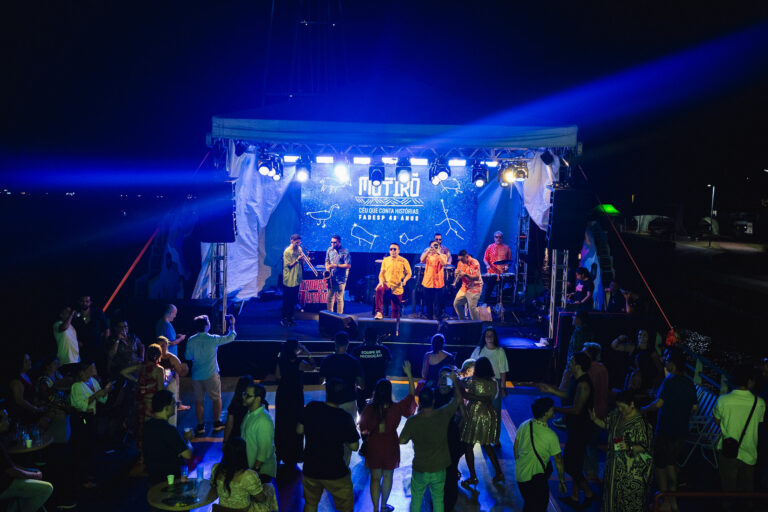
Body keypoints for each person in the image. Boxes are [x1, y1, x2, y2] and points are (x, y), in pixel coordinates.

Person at [641, 348, 698, 512]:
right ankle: (672, 500)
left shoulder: (669, 381)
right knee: (672, 464)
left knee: (661, 465)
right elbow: (694, 407)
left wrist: (643, 409)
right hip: (682, 431)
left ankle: (665, 501)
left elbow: (658, 403)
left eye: (666, 360)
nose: (664, 362)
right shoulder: (689, 382)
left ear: (672, 364)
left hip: (666, 429)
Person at [537, 353, 596, 509]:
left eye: (572, 361)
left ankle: (589, 493)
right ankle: (575, 497)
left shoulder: (584, 384)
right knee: (576, 464)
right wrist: (550, 390)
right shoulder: (577, 380)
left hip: (581, 429)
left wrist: (555, 409)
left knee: (570, 465)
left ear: (578, 365)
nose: (570, 363)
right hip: (575, 428)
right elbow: (569, 395)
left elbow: (577, 409)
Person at [358, 362, 416, 512]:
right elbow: (411, 396)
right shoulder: (396, 408)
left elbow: (363, 429)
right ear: (390, 391)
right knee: (388, 477)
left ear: (376, 391)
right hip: (390, 445)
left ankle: (375, 509)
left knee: (375, 478)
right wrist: (409, 374)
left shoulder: (369, 408)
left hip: (374, 445)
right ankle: (384, 506)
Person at [399, 374, 461, 512]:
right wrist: (455, 381)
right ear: (433, 401)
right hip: (439, 467)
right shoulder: (443, 414)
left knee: (416, 499)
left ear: (420, 402)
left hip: (420, 468)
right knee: (438, 499)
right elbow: (458, 399)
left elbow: (402, 440)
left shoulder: (412, 421)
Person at [297, 378, 360, 512]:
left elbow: (299, 430)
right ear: (342, 397)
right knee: (345, 507)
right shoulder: (344, 417)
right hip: (336, 472)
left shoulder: (312, 407)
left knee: (310, 504)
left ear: (327, 392)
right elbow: (354, 446)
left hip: (310, 469)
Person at [590, 389, 653, 512]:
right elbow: (607, 425)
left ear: (632, 404)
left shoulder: (641, 425)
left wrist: (628, 447)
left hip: (631, 472)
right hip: (614, 467)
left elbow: (645, 447)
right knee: (611, 498)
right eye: (618, 407)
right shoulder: (616, 415)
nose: (620, 410)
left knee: (628, 502)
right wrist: (595, 419)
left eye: (623, 407)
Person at [714, 364, 765, 494]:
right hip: (749, 450)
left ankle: (728, 504)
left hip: (727, 449)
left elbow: (717, 420)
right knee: (747, 489)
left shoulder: (723, 400)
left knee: (728, 488)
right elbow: (759, 421)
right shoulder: (759, 402)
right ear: (750, 381)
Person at [185, 313, 237, 436]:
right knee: (216, 398)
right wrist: (232, 324)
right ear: (207, 326)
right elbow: (231, 337)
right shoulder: (213, 339)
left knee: (199, 401)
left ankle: (200, 426)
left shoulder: (191, 340)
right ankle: (217, 423)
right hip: (211, 374)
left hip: (197, 375)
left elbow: (187, 356)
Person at [459, 356, 504, 489]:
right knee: (487, 444)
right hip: (489, 414)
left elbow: (463, 392)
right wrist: (483, 398)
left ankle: (473, 477)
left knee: (468, 445)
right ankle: (499, 472)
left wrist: (474, 397)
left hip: (475, 414)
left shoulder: (472, 381)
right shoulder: (494, 382)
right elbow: (493, 396)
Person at [319, 331, 364, 465]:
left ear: (335, 343)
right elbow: (361, 384)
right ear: (347, 344)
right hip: (348, 402)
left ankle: (330, 462)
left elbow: (320, 381)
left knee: (331, 433)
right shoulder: (353, 361)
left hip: (331, 403)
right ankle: (344, 465)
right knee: (348, 434)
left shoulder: (327, 360)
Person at [515, 397, 567, 512]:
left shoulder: (525, 425)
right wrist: (562, 481)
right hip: (536, 478)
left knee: (529, 504)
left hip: (521, 474)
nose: (554, 410)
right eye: (552, 409)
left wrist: (520, 463)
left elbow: (516, 447)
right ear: (546, 413)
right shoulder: (551, 436)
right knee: (539, 506)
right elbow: (558, 461)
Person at [0, 409, 54, 511]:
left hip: (6, 479)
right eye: (6, 419)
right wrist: (34, 475)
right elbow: (12, 471)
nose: (9, 421)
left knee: (34, 471)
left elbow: (9, 466)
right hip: (3, 486)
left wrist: (30, 472)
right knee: (47, 488)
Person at [70, 361, 114, 488]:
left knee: (89, 448)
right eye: (92, 367)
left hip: (90, 418)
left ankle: (87, 474)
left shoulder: (93, 381)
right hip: (80, 419)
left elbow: (102, 399)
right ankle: (82, 479)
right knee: (81, 448)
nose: (95, 368)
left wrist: (106, 391)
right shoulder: (76, 386)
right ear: (84, 371)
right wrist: (96, 395)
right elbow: (80, 405)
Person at [275, 339, 316, 468]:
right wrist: (308, 353)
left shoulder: (281, 360)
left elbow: (278, 376)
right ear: (295, 349)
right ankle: (295, 453)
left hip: (282, 394)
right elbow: (313, 367)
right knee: (296, 421)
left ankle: (280, 451)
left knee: (282, 421)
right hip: (295, 395)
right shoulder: (298, 362)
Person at [121, 344, 166, 457]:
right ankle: (151, 452)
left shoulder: (142, 366)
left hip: (140, 402)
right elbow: (160, 390)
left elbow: (123, 372)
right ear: (158, 356)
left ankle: (142, 453)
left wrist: (136, 380)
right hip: (151, 403)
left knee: (141, 427)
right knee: (152, 428)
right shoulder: (158, 369)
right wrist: (167, 382)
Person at [211, 437, 279, 512]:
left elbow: (213, 486)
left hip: (222, 510)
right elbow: (261, 499)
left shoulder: (216, 468)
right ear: (243, 454)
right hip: (246, 510)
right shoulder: (248, 475)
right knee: (269, 487)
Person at [142, 389, 193, 484]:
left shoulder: (147, 426)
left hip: (153, 478)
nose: (175, 407)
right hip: (170, 480)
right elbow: (187, 454)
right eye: (173, 404)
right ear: (166, 408)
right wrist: (188, 440)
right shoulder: (169, 430)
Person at [433, 367, 465, 512]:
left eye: (447, 377)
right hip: (436, 441)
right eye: (441, 377)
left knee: (451, 475)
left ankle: (449, 506)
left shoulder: (455, 394)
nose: (443, 381)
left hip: (451, 440)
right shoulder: (433, 394)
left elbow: (464, 416)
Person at [470, 327, 509, 443]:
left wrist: (503, 388)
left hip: (494, 384)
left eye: (491, 335)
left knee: (495, 412)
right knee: (481, 412)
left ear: (495, 337)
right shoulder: (478, 350)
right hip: (480, 384)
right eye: (487, 335)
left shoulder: (500, 351)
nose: (489, 337)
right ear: (484, 337)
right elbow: (470, 365)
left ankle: (495, 438)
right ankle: (482, 437)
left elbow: (503, 372)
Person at [240, 383, 277, 481]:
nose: (243, 397)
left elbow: (264, 451)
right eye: (244, 394)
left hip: (261, 473)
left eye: (248, 396)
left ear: (258, 399)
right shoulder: (250, 414)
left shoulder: (263, 421)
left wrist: (254, 471)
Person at [351, 328, 392, 413]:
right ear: (376, 338)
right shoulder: (384, 350)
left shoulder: (357, 351)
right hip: (379, 387)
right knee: (379, 411)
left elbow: (353, 367)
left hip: (362, 387)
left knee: (362, 411)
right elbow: (388, 364)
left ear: (365, 338)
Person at [71, 295, 110, 374]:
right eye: (82, 301)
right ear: (79, 302)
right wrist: (76, 341)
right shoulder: (75, 315)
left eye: (87, 301)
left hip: (98, 347)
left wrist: (105, 343)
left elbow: (106, 329)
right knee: (86, 371)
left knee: (101, 369)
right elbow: (71, 331)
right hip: (84, 349)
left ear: (90, 302)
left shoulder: (98, 313)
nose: (84, 303)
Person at [374, 242, 412, 320]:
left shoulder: (404, 261)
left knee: (395, 310)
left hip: (397, 287)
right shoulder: (386, 260)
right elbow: (381, 273)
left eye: (394, 249)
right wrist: (380, 281)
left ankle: (393, 324)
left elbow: (409, 273)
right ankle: (379, 312)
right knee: (379, 289)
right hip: (387, 285)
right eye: (391, 249)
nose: (392, 251)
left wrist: (404, 280)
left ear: (398, 250)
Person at [156, 335, 190, 419]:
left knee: (171, 408)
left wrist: (185, 369)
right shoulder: (154, 357)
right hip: (158, 383)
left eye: (163, 346)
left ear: (167, 345)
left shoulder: (172, 358)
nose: (161, 348)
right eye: (159, 346)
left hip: (170, 384)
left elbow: (181, 373)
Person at [420, 239, 448, 319]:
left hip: (439, 283)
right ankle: (430, 319)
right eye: (433, 246)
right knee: (429, 303)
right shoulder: (428, 256)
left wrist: (438, 253)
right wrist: (428, 251)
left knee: (439, 303)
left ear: (439, 247)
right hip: (428, 283)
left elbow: (444, 263)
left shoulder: (443, 255)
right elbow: (421, 260)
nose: (434, 248)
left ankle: (438, 319)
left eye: (436, 246)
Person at [481, 231, 512, 305]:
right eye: (496, 237)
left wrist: (507, 266)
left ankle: (499, 305)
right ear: (494, 238)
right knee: (489, 289)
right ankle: (485, 304)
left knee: (500, 290)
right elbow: (485, 259)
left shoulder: (507, 248)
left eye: (500, 237)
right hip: (492, 272)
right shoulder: (490, 247)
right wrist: (487, 265)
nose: (498, 239)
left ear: (502, 238)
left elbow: (510, 260)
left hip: (502, 273)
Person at [453, 249, 482, 320]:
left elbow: (476, 278)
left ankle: (476, 324)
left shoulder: (475, 263)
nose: (461, 261)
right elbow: (458, 276)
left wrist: (465, 274)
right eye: (460, 260)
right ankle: (462, 321)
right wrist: (456, 274)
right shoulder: (460, 263)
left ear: (466, 256)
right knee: (456, 304)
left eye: (462, 259)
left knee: (472, 308)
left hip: (475, 287)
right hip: (464, 287)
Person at [325, 234, 351, 314]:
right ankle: (329, 315)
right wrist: (327, 269)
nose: (332, 244)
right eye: (331, 242)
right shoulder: (329, 250)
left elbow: (348, 265)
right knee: (329, 298)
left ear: (339, 242)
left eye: (334, 242)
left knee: (339, 299)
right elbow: (327, 261)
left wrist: (336, 265)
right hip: (331, 278)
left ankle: (339, 317)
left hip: (341, 279)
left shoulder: (345, 251)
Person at [224, 375, 254, 443]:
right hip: (250, 438)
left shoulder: (234, 404)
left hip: (236, 438)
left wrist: (225, 441)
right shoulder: (255, 403)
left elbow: (229, 426)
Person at [282, 234, 304, 327]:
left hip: (296, 278)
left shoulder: (299, 249)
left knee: (293, 300)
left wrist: (303, 259)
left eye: (299, 243)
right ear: (291, 241)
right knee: (287, 300)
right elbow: (289, 265)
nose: (298, 244)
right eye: (296, 243)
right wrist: (298, 259)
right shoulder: (287, 251)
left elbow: (302, 263)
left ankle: (291, 318)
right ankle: (284, 319)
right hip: (289, 279)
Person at [53, 306, 80, 371]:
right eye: (67, 311)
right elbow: (64, 327)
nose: (70, 313)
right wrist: (71, 314)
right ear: (61, 315)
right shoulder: (57, 324)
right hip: (65, 360)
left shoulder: (72, 327)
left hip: (76, 359)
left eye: (70, 311)